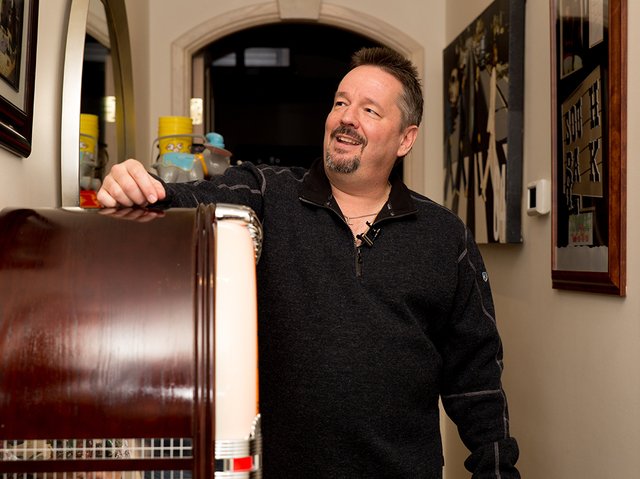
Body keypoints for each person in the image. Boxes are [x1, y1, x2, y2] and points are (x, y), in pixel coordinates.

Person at [98, 47, 520, 478]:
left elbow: (477, 382)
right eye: (340, 102)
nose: (347, 117)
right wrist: (143, 189)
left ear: (405, 140)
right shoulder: (267, 194)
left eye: (369, 110)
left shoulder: (445, 237)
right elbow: (188, 203)